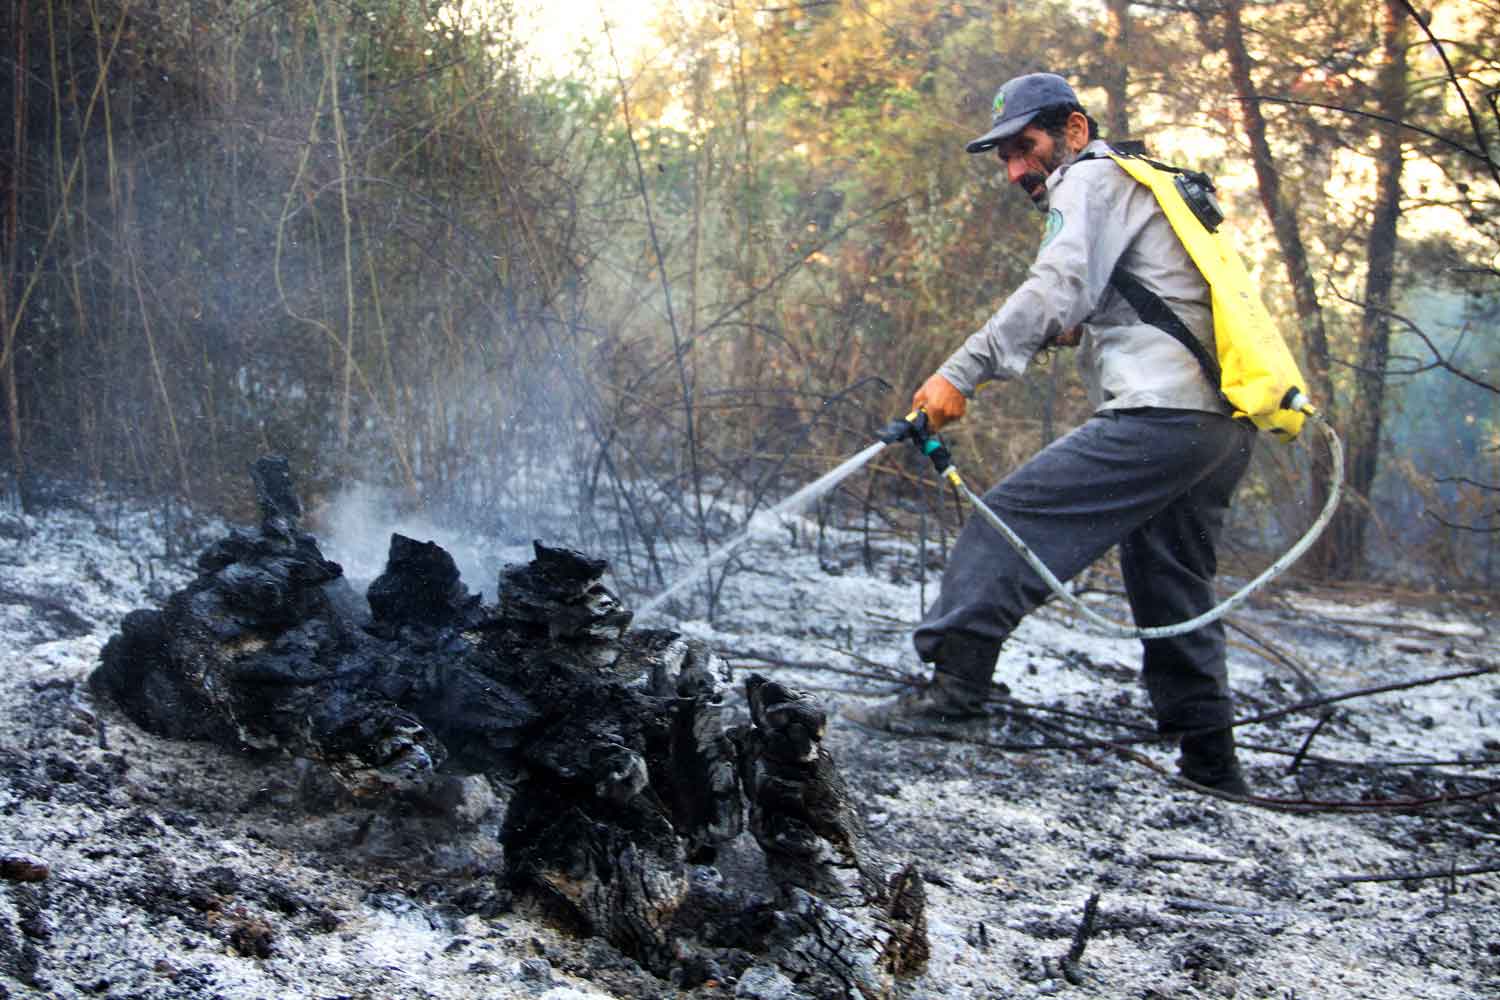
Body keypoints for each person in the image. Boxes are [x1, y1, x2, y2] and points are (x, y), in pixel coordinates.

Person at [841, 72, 1255, 795]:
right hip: (1218, 427)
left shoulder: (1089, 179)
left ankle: (956, 696)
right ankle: (1212, 766)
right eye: (1004, 157)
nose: (1016, 171)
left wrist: (958, 375)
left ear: (1075, 129)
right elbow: (1126, 295)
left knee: (1009, 521)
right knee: (1174, 588)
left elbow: (1051, 286)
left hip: (1162, 415)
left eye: (1025, 148)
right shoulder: (1140, 181)